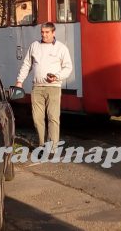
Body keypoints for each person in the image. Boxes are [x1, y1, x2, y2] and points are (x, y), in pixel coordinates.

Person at [15, 22, 72, 150]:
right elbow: (26, 65)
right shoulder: (34, 46)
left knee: (53, 118)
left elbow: (68, 67)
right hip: (37, 87)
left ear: (53, 33)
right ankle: (41, 144)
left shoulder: (61, 48)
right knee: (37, 119)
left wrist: (57, 76)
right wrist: (19, 81)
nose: (44, 35)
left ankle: (52, 148)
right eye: (42, 32)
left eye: (47, 32)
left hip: (54, 87)